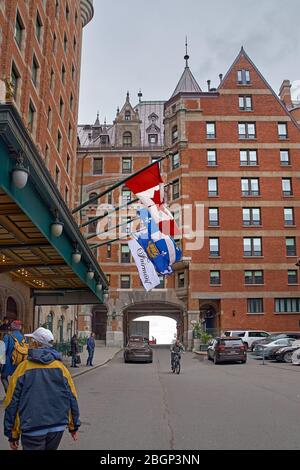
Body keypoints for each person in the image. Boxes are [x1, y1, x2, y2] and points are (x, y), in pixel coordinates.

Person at [4, 327, 80, 451]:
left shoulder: (23, 368)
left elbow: (11, 402)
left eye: (32, 340)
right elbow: (72, 397)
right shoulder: (61, 368)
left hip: (32, 427)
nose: (29, 343)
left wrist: (12, 434)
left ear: (37, 343)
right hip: (57, 427)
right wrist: (73, 426)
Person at [1, 320, 24, 393]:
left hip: (9, 361)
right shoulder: (23, 337)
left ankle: (9, 394)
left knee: (3, 377)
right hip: (20, 361)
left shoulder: (8, 336)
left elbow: (3, 350)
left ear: (12, 326)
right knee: (16, 378)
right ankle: (16, 394)